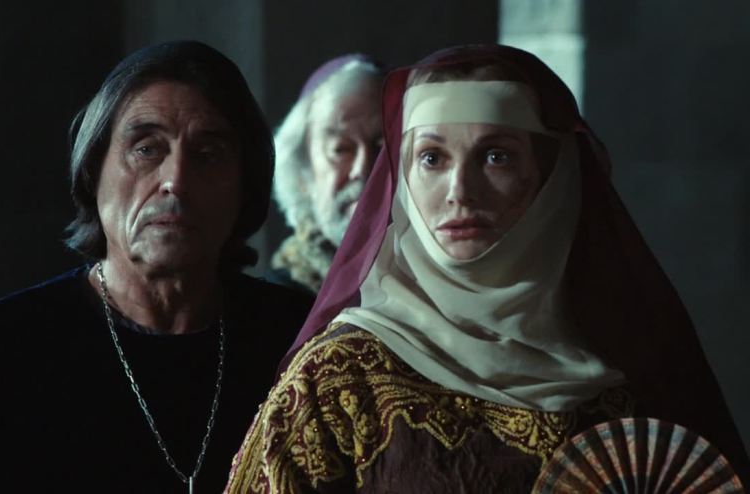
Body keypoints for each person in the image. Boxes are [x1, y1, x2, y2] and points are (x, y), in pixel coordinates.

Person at [225, 45, 750, 492]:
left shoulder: (630, 363)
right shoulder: (338, 378)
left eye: (496, 156)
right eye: (432, 158)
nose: (460, 191)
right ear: (403, 181)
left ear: (550, 179)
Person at [0, 41, 313, 493]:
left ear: (245, 185)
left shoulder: (301, 346)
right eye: (146, 149)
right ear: (93, 169)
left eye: (208, 154)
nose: (175, 180)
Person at [270, 54, 384, 293]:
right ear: (302, 175)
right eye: (340, 149)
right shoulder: (275, 302)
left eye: (383, 146)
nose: (364, 170)